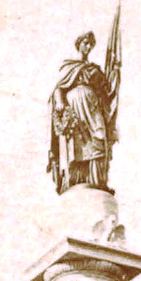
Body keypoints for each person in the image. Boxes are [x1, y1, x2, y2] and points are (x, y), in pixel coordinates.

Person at [48, 30, 119, 195]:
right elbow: (59, 88)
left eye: (90, 44)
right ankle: (77, 180)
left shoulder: (95, 69)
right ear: (79, 44)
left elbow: (107, 93)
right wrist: (60, 104)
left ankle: (98, 180)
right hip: (75, 107)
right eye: (85, 43)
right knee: (78, 144)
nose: (87, 46)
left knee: (100, 137)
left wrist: (115, 73)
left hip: (93, 106)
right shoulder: (69, 66)